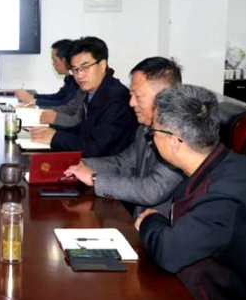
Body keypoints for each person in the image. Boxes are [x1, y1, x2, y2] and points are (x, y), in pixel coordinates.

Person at [135, 85, 246, 300]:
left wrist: (149, 221)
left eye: (153, 131)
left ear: (174, 142)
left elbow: (170, 252)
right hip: (206, 282)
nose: (151, 138)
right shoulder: (224, 164)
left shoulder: (227, 190)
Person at [64, 57, 184, 216]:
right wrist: (82, 164)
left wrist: (94, 179)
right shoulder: (144, 128)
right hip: (138, 222)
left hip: (162, 227)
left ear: (163, 97)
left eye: (138, 96)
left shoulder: (180, 137)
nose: (131, 103)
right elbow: (124, 162)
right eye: (131, 95)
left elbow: (153, 189)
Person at [30, 36, 137, 157]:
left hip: (109, 164)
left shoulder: (115, 99)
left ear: (102, 65)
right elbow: (82, 130)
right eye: (75, 69)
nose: (79, 75)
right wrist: (51, 131)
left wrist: (55, 137)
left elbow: (95, 148)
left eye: (85, 67)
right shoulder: (94, 90)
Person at [15, 39, 77, 107]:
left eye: (54, 60)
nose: (53, 64)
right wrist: (32, 96)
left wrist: (32, 101)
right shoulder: (70, 78)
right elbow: (58, 97)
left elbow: (64, 105)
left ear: (64, 60)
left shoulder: (77, 81)